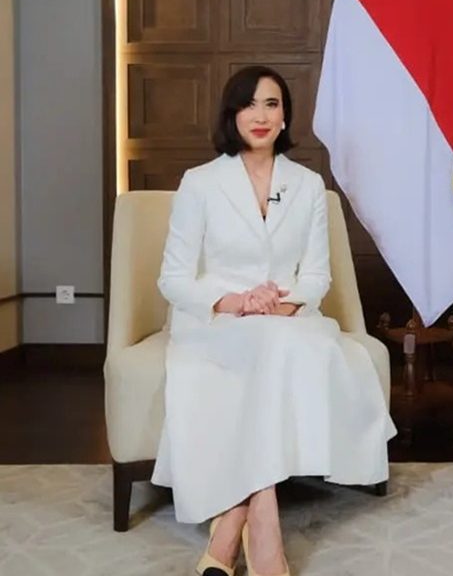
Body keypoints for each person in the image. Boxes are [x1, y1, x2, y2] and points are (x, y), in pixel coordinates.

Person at [152, 65, 396, 576]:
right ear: (232, 115)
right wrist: (238, 302)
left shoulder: (307, 185)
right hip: (217, 321)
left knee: (280, 346)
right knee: (266, 349)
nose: (260, 115)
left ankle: (231, 529)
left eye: (271, 104)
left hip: (288, 319)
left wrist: (278, 306)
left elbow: (317, 276)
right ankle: (264, 529)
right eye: (249, 104)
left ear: (285, 116)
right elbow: (173, 279)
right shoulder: (200, 183)